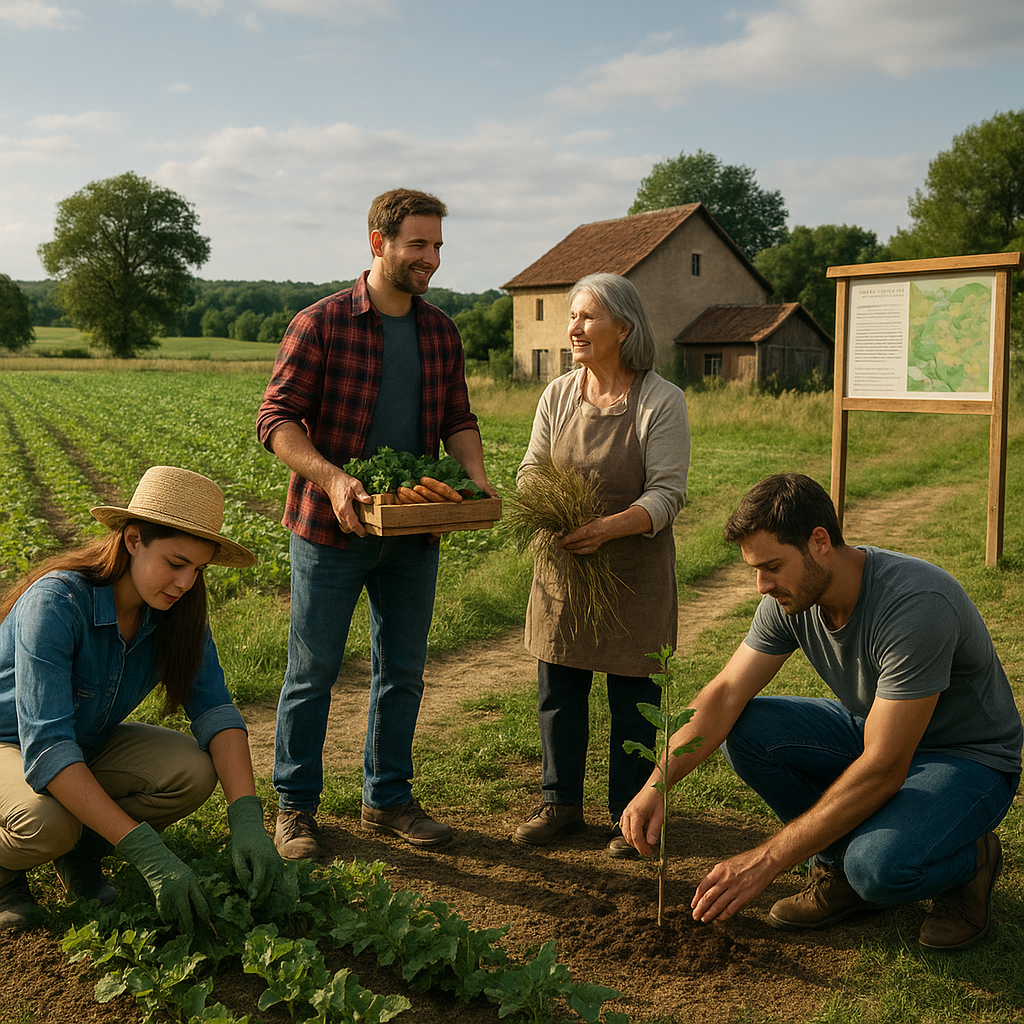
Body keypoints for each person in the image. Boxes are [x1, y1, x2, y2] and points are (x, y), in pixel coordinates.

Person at [620, 472, 1022, 951]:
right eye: (755, 569)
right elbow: (726, 693)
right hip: (878, 731)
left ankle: (972, 861)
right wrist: (656, 784)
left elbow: (885, 768)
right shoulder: (792, 596)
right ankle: (836, 868)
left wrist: (767, 861)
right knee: (747, 729)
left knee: (878, 868)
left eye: (771, 566)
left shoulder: (916, 605)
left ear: (819, 541)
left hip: (966, 759)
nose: (760, 586)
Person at [256, 188, 495, 860]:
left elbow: (457, 420)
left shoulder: (440, 331)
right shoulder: (322, 323)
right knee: (314, 669)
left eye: (438, 246)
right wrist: (332, 477)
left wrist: (472, 479)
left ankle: (387, 797)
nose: (431, 258)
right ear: (378, 242)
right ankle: (296, 808)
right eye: (419, 244)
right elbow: (274, 421)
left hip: (412, 529)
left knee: (405, 669)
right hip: (330, 532)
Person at [0, 466, 289, 933]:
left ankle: (82, 852)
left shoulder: (176, 611)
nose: (185, 582)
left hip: (82, 742)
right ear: (133, 540)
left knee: (192, 771)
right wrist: (150, 855)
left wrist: (247, 818)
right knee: (46, 823)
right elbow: (49, 747)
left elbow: (217, 711)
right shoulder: (57, 603)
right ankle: (5, 872)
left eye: (197, 569)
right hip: (9, 745)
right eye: (176, 563)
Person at [511, 273, 690, 857]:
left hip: (632, 575)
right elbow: (532, 469)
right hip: (564, 570)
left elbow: (667, 494)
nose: (575, 328)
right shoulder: (558, 395)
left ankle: (626, 815)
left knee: (631, 700)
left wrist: (609, 527)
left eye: (588, 317)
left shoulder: (660, 401)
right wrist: (550, 508)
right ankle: (559, 804)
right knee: (558, 689)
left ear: (624, 328)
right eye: (573, 317)